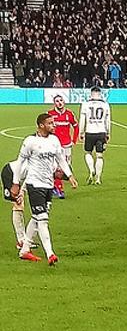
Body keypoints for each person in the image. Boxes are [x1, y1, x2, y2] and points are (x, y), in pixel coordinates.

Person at [10, 113, 78, 265]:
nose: (54, 125)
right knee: (43, 219)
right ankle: (50, 254)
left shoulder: (54, 140)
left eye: (53, 123)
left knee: (36, 217)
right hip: (34, 184)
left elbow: (61, 159)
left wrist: (70, 176)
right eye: (50, 123)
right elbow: (20, 162)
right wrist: (15, 183)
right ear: (41, 125)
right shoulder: (30, 141)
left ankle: (25, 250)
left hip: (48, 185)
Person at [48, 94, 79, 198]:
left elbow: (76, 126)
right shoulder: (50, 114)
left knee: (66, 166)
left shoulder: (69, 114)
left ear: (64, 101)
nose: (59, 103)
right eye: (57, 101)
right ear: (54, 103)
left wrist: (74, 140)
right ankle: (59, 189)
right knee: (56, 167)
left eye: (61, 100)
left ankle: (54, 186)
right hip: (55, 145)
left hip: (67, 145)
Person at [79, 86, 111, 185]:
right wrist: (108, 132)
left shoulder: (85, 104)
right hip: (101, 132)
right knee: (99, 155)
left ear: (91, 94)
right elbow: (108, 121)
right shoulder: (105, 105)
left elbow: (82, 119)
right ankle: (98, 178)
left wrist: (81, 132)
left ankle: (91, 169)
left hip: (89, 132)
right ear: (100, 94)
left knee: (88, 152)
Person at [2, 158, 28, 249]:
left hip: (18, 178)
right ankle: (21, 240)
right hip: (10, 172)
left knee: (19, 205)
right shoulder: (39, 167)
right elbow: (29, 179)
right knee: (18, 205)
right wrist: (21, 192)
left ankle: (24, 239)